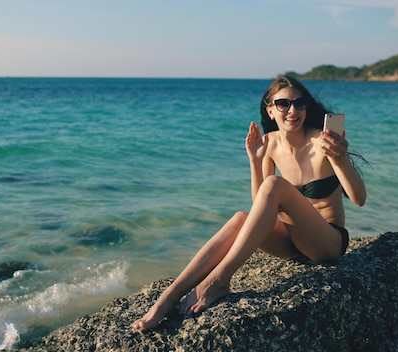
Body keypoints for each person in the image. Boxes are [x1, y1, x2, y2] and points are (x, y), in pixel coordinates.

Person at [132, 74, 367, 330]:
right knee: (240, 219)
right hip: (290, 242)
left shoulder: (322, 142)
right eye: (283, 104)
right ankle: (168, 297)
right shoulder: (270, 144)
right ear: (270, 110)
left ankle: (219, 280)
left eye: (300, 103)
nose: (293, 110)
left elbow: (359, 199)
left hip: (327, 244)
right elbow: (261, 204)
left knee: (275, 185)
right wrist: (255, 161)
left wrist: (341, 159)